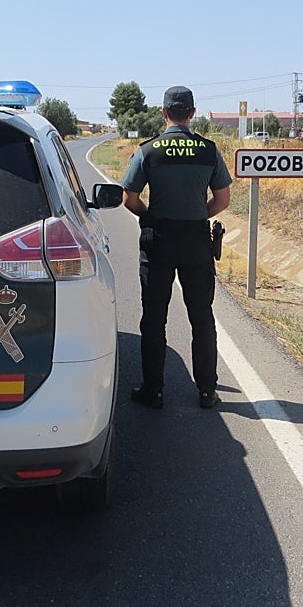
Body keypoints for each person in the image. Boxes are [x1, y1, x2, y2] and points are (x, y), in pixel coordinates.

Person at [120, 86, 232, 409]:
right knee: (201, 316)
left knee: (154, 318)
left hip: (158, 243)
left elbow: (129, 198)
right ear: (193, 113)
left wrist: (150, 216)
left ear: (164, 113)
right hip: (197, 243)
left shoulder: (148, 152)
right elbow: (223, 200)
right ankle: (207, 391)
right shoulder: (208, 151)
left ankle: (153, 391)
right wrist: (199, 216)